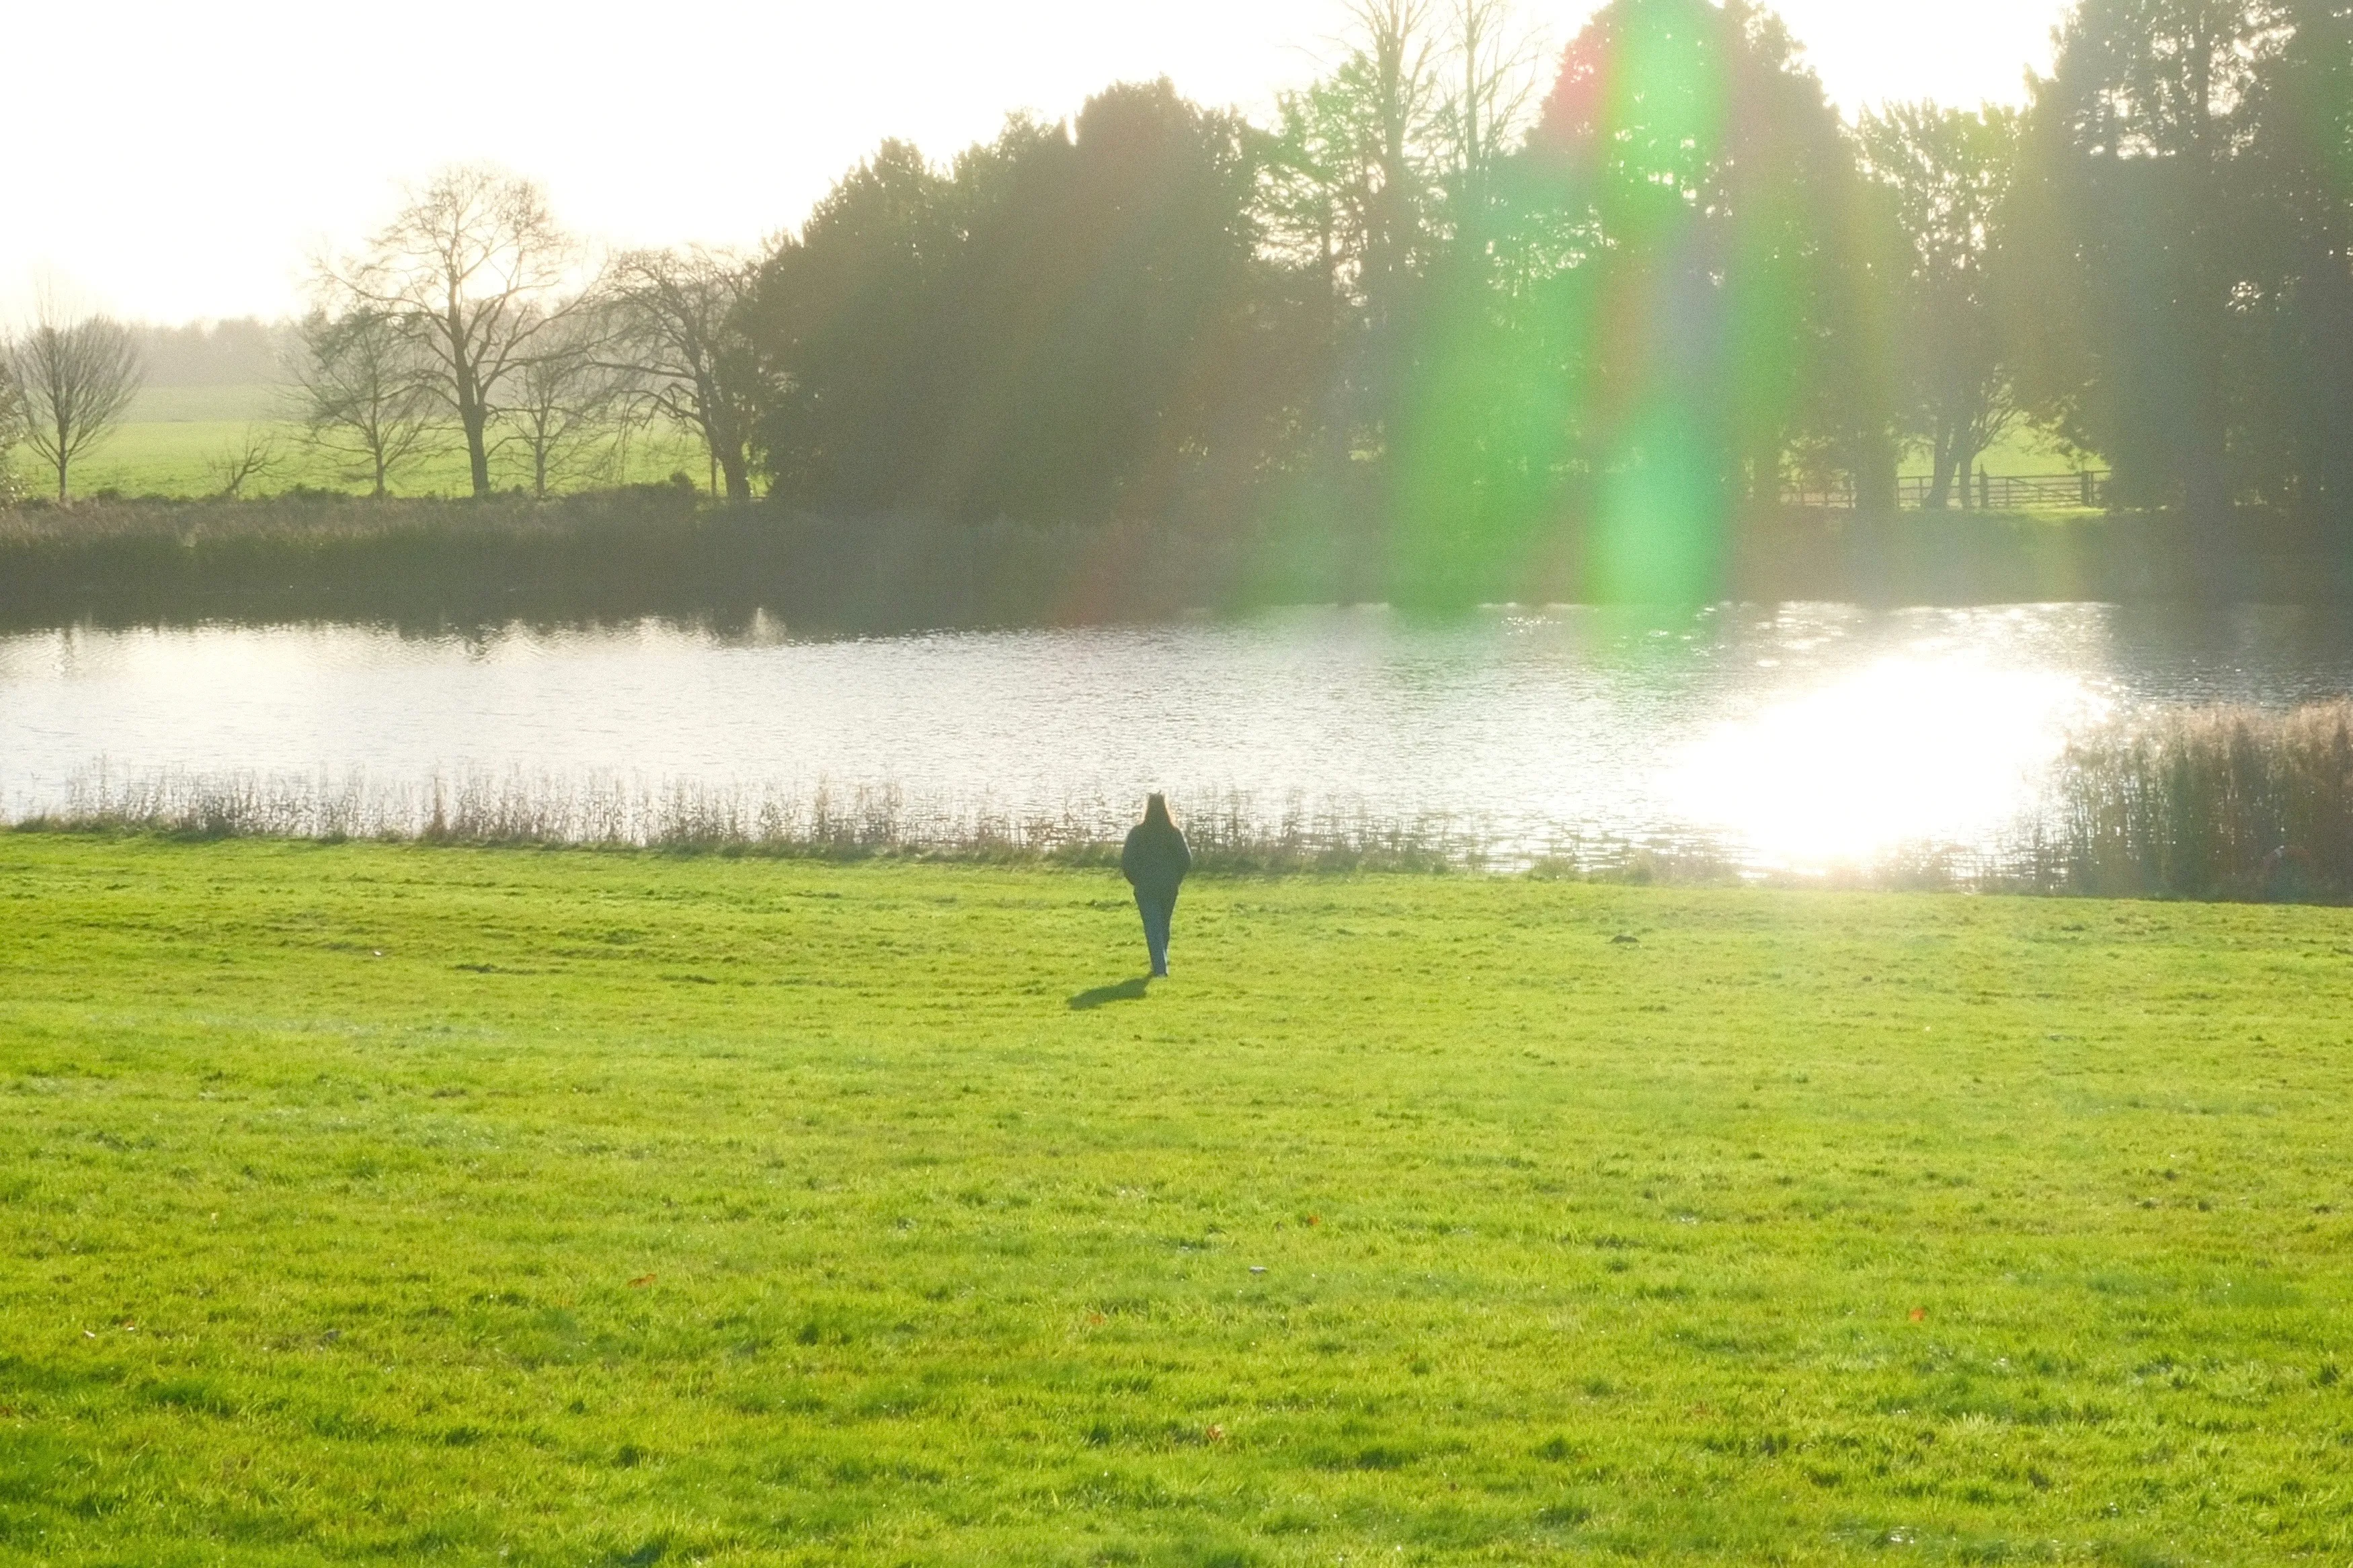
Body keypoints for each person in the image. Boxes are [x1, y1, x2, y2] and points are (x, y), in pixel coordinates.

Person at [1121, 794, 1191, 979]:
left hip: (1146, 887)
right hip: (1169, 886)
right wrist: (1176, 878)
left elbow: (1127, 861)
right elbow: (1186, 859)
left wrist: (1136, 880)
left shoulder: (1137, 834)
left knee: (1152, 926)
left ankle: (1160, 967)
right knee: (1163, 925)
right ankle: (1160, 962)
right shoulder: (1173, 833)